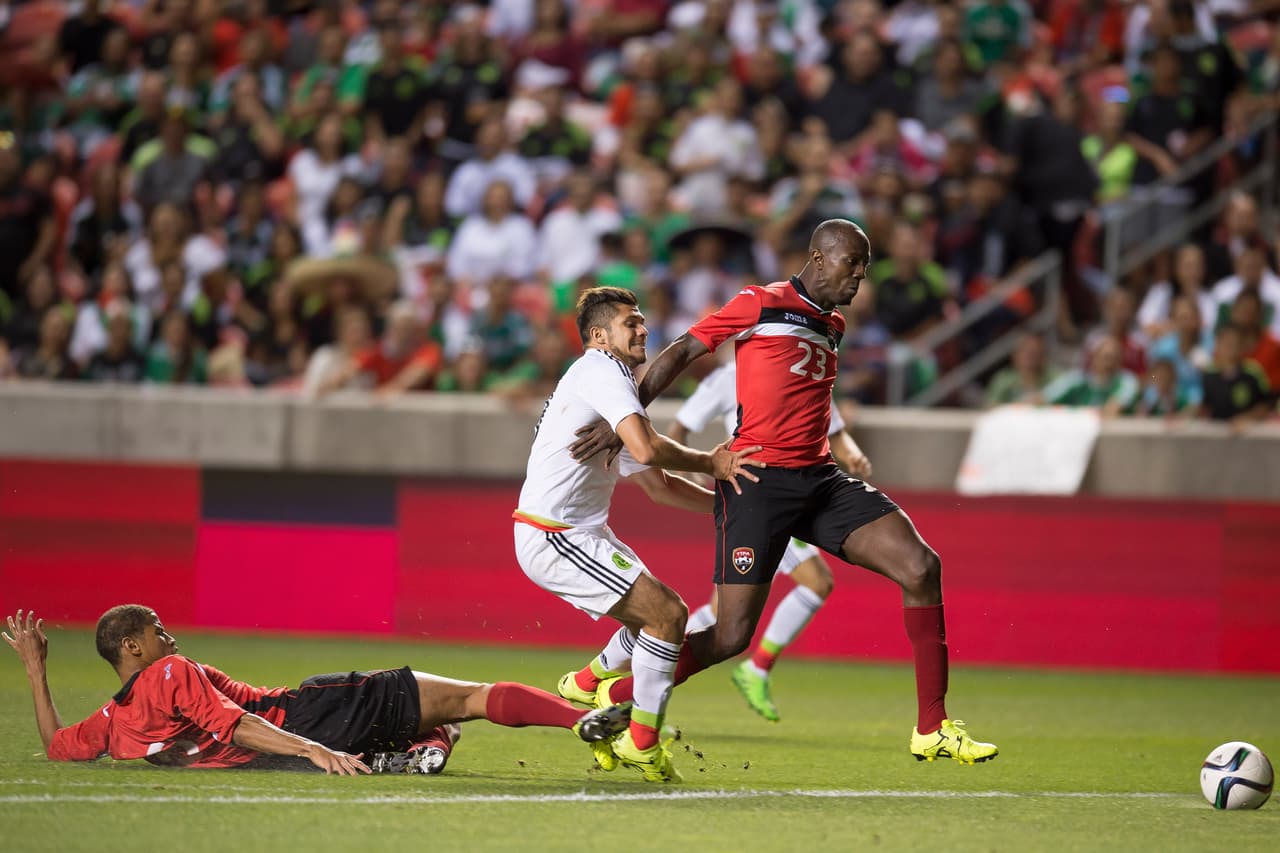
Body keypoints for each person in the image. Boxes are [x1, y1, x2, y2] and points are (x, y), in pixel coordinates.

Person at [571, 220, 998, 764]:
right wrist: (625, 417)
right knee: (729, 637)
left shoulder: (833, 323)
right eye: (853, 265)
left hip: (820, 480)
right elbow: (681, 351)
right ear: (820, 259)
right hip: (756, 483)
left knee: (921, 567)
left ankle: (932, 727)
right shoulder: (759, 302)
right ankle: (622, 694)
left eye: (865, 268)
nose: (860, 278)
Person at [514, 286, 763, 782]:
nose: (643, 328)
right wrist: (713, 463)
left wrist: (725, 509)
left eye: (643, 320)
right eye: (632, 322)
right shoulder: (601, 372)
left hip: (580, 531)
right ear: (600, 335)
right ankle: (643, 742)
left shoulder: (611, 382)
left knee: (653, 622)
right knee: (667, 614)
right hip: (554, 532)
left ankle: (586, 684)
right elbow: (648, 450)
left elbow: (659, 486)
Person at [3, 606, 630, 776]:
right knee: (469, 695)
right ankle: (577, 721)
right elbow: (234, 722)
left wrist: (35, 670)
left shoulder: (113, 724)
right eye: (156, 631)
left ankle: (414, 750)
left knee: (443, 722)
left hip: (296, 738)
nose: (169, 637)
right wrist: (309, 749)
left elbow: (57, 743)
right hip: (311, 712)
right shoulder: (170, 672)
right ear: (131, 648)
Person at [667, 359, 873, 722]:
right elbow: (679, 427)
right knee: (811, 585)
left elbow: (835, 432)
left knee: (726, 613)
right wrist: (698, 471)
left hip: (794, 492)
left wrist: (852, 455)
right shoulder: (731, 376)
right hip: (757, 495)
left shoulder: (810, 369)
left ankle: (652, 661)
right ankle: (664, 662)